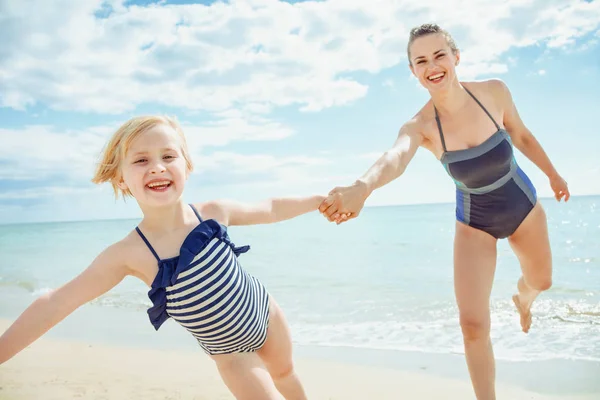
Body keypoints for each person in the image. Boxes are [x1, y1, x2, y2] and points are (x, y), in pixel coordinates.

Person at [318, 23, 570, 400]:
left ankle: (523, 299)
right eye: (421, 60)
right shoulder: (420, 126)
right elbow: (394, 158)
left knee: (542, 281)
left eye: (439, 55)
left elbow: (522, 135)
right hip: (475, 223)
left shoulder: (494, 92)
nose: (432, 65)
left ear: (455, 58)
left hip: (523, 206)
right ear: (413, 72)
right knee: (472, 324)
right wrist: (362, 187)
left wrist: (553, 175)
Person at [0, 115, 324, 400]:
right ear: (120, 178)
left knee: (285, 375)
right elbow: (57, 302)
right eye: (140, 160)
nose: (157, 166)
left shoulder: (211, 213)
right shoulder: (129, 253)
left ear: (187, 165)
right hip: (232, 355)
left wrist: (320, 201)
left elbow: (271, 208)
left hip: (267, 313)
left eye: (168, 156)